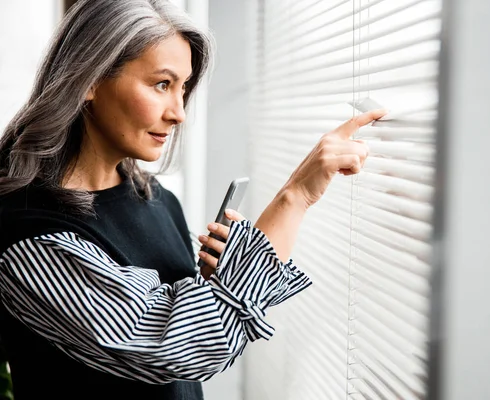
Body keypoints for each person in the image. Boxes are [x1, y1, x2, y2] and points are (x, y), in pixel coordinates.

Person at [0, 0, 385, 399]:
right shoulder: (32, 235)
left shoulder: (152, 196)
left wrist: (215, 279)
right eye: (161, 84)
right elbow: (177, 347)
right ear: (90, 80)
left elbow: (204, 330)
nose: (179, 113)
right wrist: (295, 196)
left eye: (183, 88)